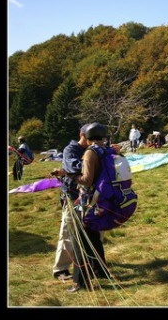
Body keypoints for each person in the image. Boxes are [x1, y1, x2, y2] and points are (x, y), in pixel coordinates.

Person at [66, 122, 111, 293]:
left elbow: (86, 180)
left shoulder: (90, 152)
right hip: (102, 201)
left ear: (88, 136)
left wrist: (68, 174)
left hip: (87, 203)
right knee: (93, 237)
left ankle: (80, 281)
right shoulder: (108, 150)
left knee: (79, 241)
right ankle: (101, 271)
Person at [50, 124, 90, 282]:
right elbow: (74, 167)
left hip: (91, 196)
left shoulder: (95, 149)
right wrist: (94, 162)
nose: (92, 141)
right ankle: (61, 269)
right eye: (89, 137)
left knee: (93, 229)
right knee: (68, 231)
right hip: (72, 195)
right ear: (81, 135)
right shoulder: (71, 149)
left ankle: (90, 262)